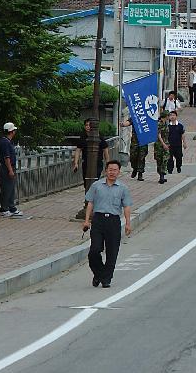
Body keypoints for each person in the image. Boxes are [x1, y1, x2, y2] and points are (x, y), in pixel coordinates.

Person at [82, 160, 133, 288]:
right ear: (106, 170)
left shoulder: (123, 188)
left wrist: (128, 223)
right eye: (110, 169)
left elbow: (126, 206)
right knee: (94, 251)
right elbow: (90, 203)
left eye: (115, 170)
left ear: (118, 172)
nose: (112, 172)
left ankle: (106, 279)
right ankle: (98, 273)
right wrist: (87, 220)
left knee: (112, 252)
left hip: (113, 221)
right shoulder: (96, 186)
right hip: (98, 220)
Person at [73, 118, 110, 219]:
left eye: (90, 125)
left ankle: (93, 204)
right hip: (86, 164)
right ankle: (88, 203)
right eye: (86, 125)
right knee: (86, 183)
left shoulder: (99, 137)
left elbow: (105, 149)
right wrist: (76, 163)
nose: (88, 127)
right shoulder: (83, 138)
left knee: (95, 183)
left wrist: (108, 163)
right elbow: (78, 150)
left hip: (97, 164)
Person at [0, 122, 24, 217]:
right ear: (11, 131)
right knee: (6, 188)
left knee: (11, 188)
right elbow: (6, 158)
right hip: (7, 167)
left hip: (10, 166)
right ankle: (4, 209)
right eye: (14, 130)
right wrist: (10, 170)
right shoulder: (5, 142)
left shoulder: (7, 141)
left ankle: (11, 207)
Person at [154, 111, 170, 184]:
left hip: (166, 143)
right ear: (165, 116)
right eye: (168, 115)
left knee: (165, 159)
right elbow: (158, 135)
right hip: (159, 144)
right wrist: (163, 144)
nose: (169, 117)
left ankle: (163, 175)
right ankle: (161, 176)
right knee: (159, 160)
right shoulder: (159, 124)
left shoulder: (166, 123)